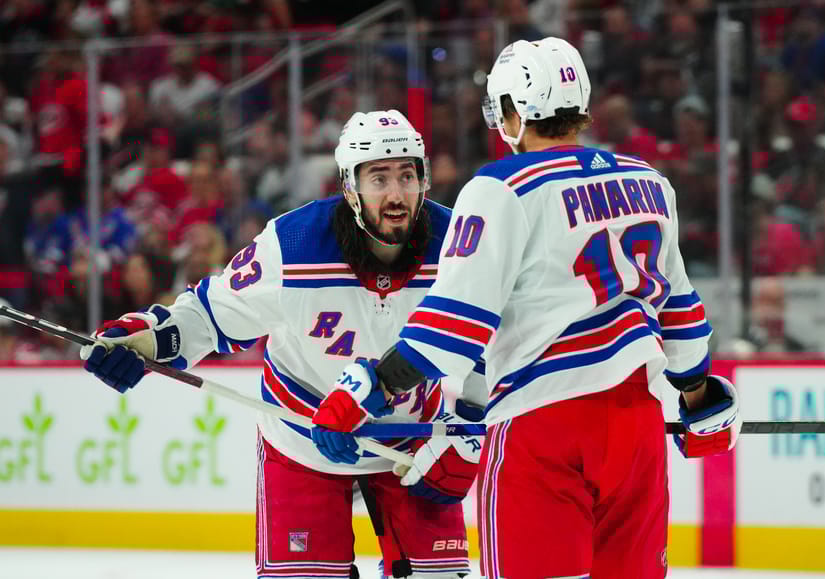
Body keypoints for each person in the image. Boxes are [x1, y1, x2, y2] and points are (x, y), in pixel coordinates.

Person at [312, 38, 743, 578]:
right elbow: (680, 310)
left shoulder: (500, 187)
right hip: (636, 425)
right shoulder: (649, 181)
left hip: (542, 428)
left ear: (516, 111)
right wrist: (699, 398)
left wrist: (370, 388)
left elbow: (451, 329)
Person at [80, 109, 483, 579]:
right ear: (350, 187)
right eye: (379, 178)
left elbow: (502, 339)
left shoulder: (461, 244)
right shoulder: (292, 245)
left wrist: (469, 428)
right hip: (302, 436)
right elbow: (208, 316)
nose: (396, 194)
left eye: (407, 175)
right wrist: (142, 340)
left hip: (412, 440)